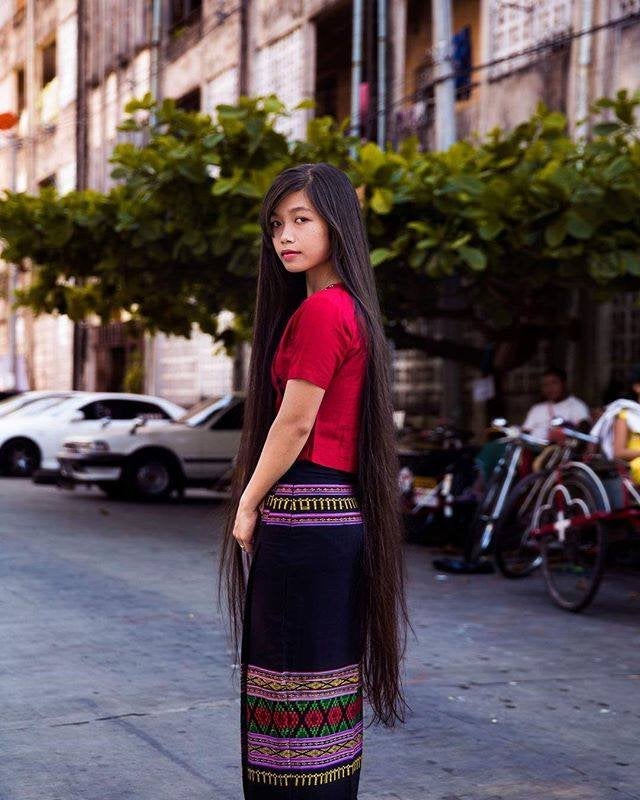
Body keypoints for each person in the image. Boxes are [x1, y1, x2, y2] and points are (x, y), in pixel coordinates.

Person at [218, 162, 410, 799]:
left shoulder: (324, 313)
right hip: (336, 516)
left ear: (337, 225)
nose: (285, 236)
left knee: (291, 686)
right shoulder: (350, 310)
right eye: (277, 224)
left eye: (302, 220)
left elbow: (294, 423)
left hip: (303, 517)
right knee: (321, 681)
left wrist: (247, 504)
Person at [521, 367, 590, 441]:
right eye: (545, 385)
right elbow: (525, 432)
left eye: (554, 383)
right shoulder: (536, 408)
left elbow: (582, 432)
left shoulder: (576, 406)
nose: (549, 388)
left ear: (564, 383)